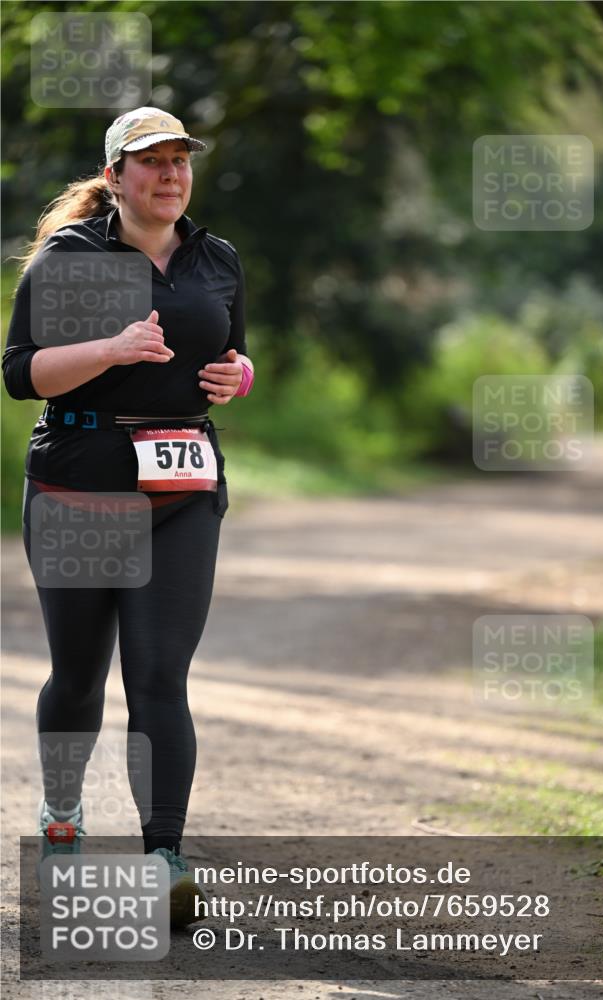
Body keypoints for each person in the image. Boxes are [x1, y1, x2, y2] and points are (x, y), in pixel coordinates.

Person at [2, 106, 254, 927]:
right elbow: (20, 374)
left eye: (181, 160)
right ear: (115, 176)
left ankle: (164, 855)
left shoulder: (216, 259)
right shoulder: (69, 259)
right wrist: (109, 350)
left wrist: (237, 376)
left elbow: (230, 353)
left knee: (158, 678)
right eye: (151, 162)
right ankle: (63, 816)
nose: (170, 174)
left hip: (181, 492)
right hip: (80, 490)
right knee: (79, 677)